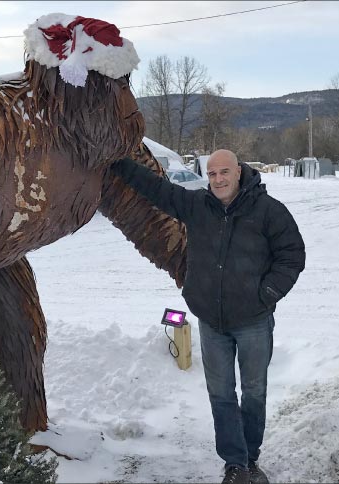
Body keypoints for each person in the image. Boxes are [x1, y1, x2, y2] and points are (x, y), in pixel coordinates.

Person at [111, 149, 305, 484]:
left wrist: (267, 294)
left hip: (254, 322)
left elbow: (292, 254)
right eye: (212, 174)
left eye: (224, 173)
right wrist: (116, 162)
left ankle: (250, 457)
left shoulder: (268, 211)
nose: (218, 180)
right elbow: (158, 190)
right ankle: (235, 464)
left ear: (239, 173)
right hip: (212, 322)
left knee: (254, 392)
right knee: (221, 394)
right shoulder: (197, 206)